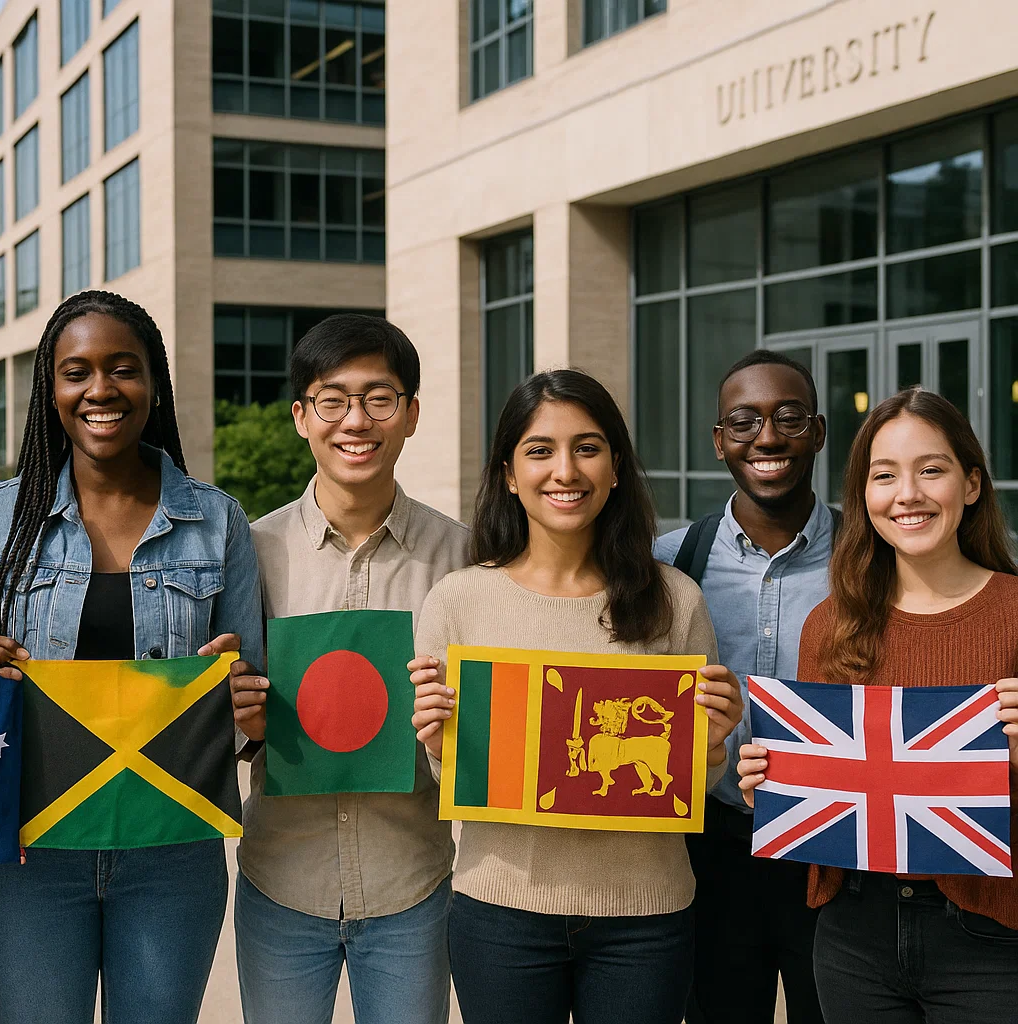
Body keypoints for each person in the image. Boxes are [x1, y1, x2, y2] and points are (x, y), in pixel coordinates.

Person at [0, 290, 264, 1024]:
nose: (100, 390)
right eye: (76, 371)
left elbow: (252, 717)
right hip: (28, 851)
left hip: (172, 849)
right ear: (49, 390)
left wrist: (244, 706)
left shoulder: (217, 520)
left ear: (154, 385)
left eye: (124, 369)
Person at [409, 369, 743, 1024]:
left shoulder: (676, 599)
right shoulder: (458, 600)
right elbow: (452, 779)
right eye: (540, 450)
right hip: (500, 912)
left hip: (645, 917)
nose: (566, 470)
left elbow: (694, 785)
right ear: (508, 472)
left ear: (616, 467)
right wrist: (435, 736)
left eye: (587, 447)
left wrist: (713, 742)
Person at [737, 387, 1018, 1024]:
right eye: (884, 475)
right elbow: (816, 796)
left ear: (971, 485)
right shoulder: (828, 626)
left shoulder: (1015, 614)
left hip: (992, 936)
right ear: (864, 494)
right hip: (852, 935)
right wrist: (774, 786)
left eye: (932, 470)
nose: (908, 494)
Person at [230, 314, 466, 1024]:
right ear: (302, 416)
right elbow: (219, 727)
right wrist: (237, 720)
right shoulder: (248, 552)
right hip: (281, 883)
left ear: (412, 414)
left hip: (414, 887)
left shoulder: (466, 560)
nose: (355, 421)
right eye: (332, 400)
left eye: (379, 399)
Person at [652, 349, 829, 1024]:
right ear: (719, 440)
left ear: (816, 431)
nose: (767, 436)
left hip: (833, 861)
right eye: (744, 420)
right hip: (713, 853)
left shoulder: (869, 559)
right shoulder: (669, 563)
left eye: (788, 416)